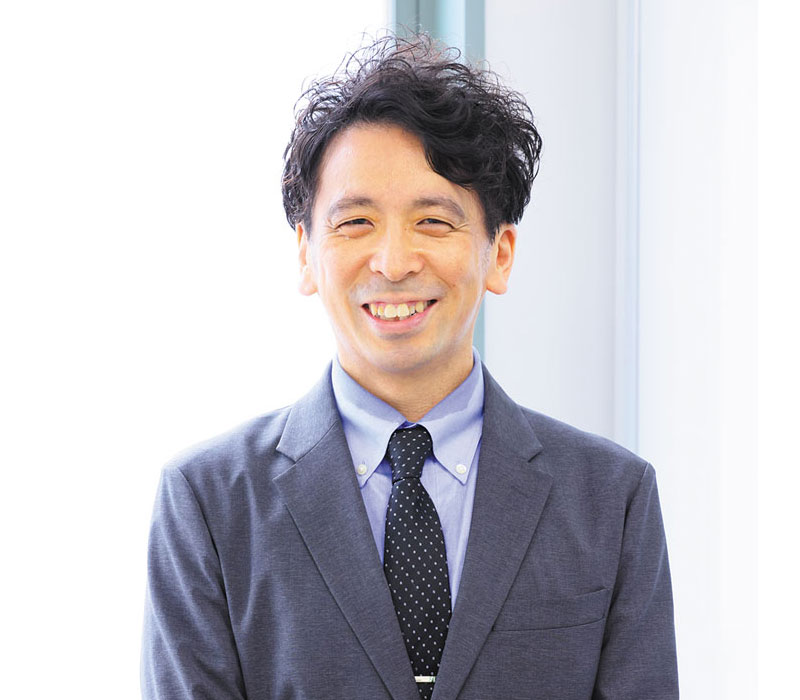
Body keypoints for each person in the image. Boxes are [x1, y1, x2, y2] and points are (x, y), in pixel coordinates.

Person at [140, 34, 678, 700]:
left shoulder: (610, 498)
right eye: (355, 223)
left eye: (432, 222)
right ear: (306, 254)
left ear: (500, 254)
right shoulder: (209, 502)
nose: (393, 263)